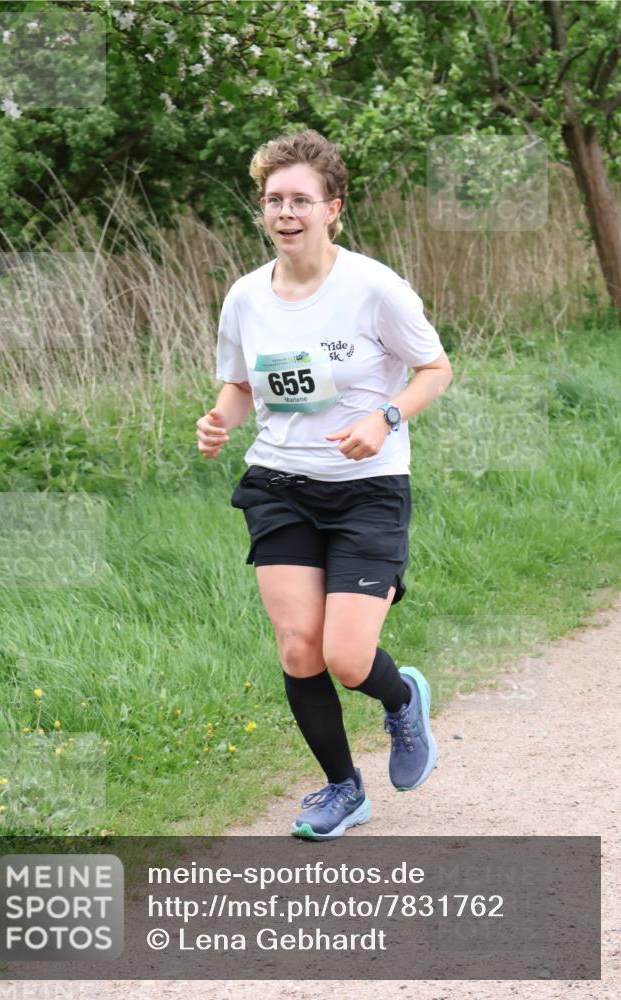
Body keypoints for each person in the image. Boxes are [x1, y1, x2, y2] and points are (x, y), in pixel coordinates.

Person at [196, 129, 452, 841]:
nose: (285, 212)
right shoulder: (246, 296)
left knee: (345, 657)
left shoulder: (373, 288)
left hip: (367, 488)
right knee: (298, 649)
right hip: (279, 483)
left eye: (300, 200)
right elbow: (239, 384)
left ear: (332, 208)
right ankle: (343, 789)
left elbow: (435, 369)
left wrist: (385, 416)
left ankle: (401, 699)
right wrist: (218, 421)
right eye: (273, 199)